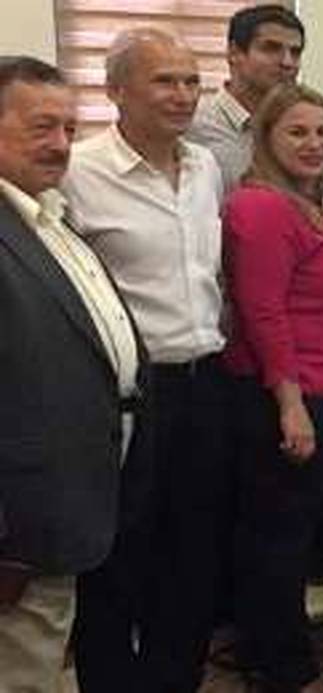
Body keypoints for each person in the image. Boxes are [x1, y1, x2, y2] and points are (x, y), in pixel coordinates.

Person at [61, 28, 226, 692]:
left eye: (191, 81)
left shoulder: (206, 166)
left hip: (207, 384)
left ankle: (176, 678)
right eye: (164, 81)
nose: (182, 95)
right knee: (119, 556)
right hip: (129, 394)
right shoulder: (77, 171)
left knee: (196, 550)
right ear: (115, 90)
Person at [0, 55, 145, 692]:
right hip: (19, 534)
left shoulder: (46, 215)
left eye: (69, 128)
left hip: (74, 503)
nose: (61, 144)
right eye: (41, 127)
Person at [222, 83, 323, 693]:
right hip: (281, 397)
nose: (314, 143)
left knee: (290, 535)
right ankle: (286, 671)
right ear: (266, 138)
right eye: (297, 132)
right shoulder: (260, 208)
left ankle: (268, 651)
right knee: (278, 539)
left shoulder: (322, 212)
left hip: (320, 389)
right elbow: (263, 312)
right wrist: (291, 404)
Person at [187, 3, 305, 193]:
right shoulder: (192, 127)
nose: (287, 62)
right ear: (234, 53)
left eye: (295, 52)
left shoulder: (301, 130)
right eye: (271, 48)